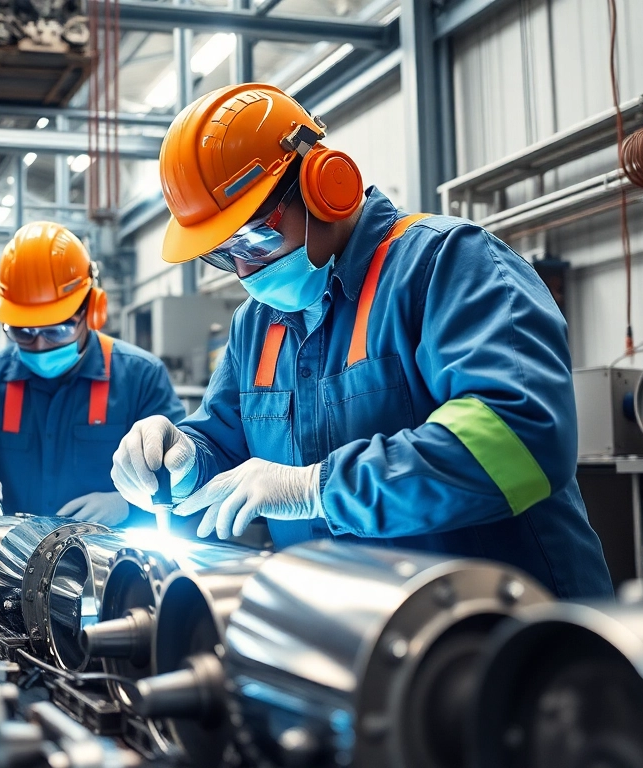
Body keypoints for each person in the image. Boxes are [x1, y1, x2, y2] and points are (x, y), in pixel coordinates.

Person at [110, 84, 611, 598]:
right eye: (220, 253)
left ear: (325, 184)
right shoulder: (256, 324)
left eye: (254, 238)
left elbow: (519, 437)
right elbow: (225, 442)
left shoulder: (446, 265)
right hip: (347, 636)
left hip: (504, 631)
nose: (241, 269)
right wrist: (183, 458)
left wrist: (316, 489)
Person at [0, 222, 184, 525]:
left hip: (108, 562)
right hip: (8, 559)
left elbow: (181, 476)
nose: (39, 345)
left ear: (91, 310)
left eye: (56, 329)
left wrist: (130, 506)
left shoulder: (141, 377)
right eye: (22, 332)